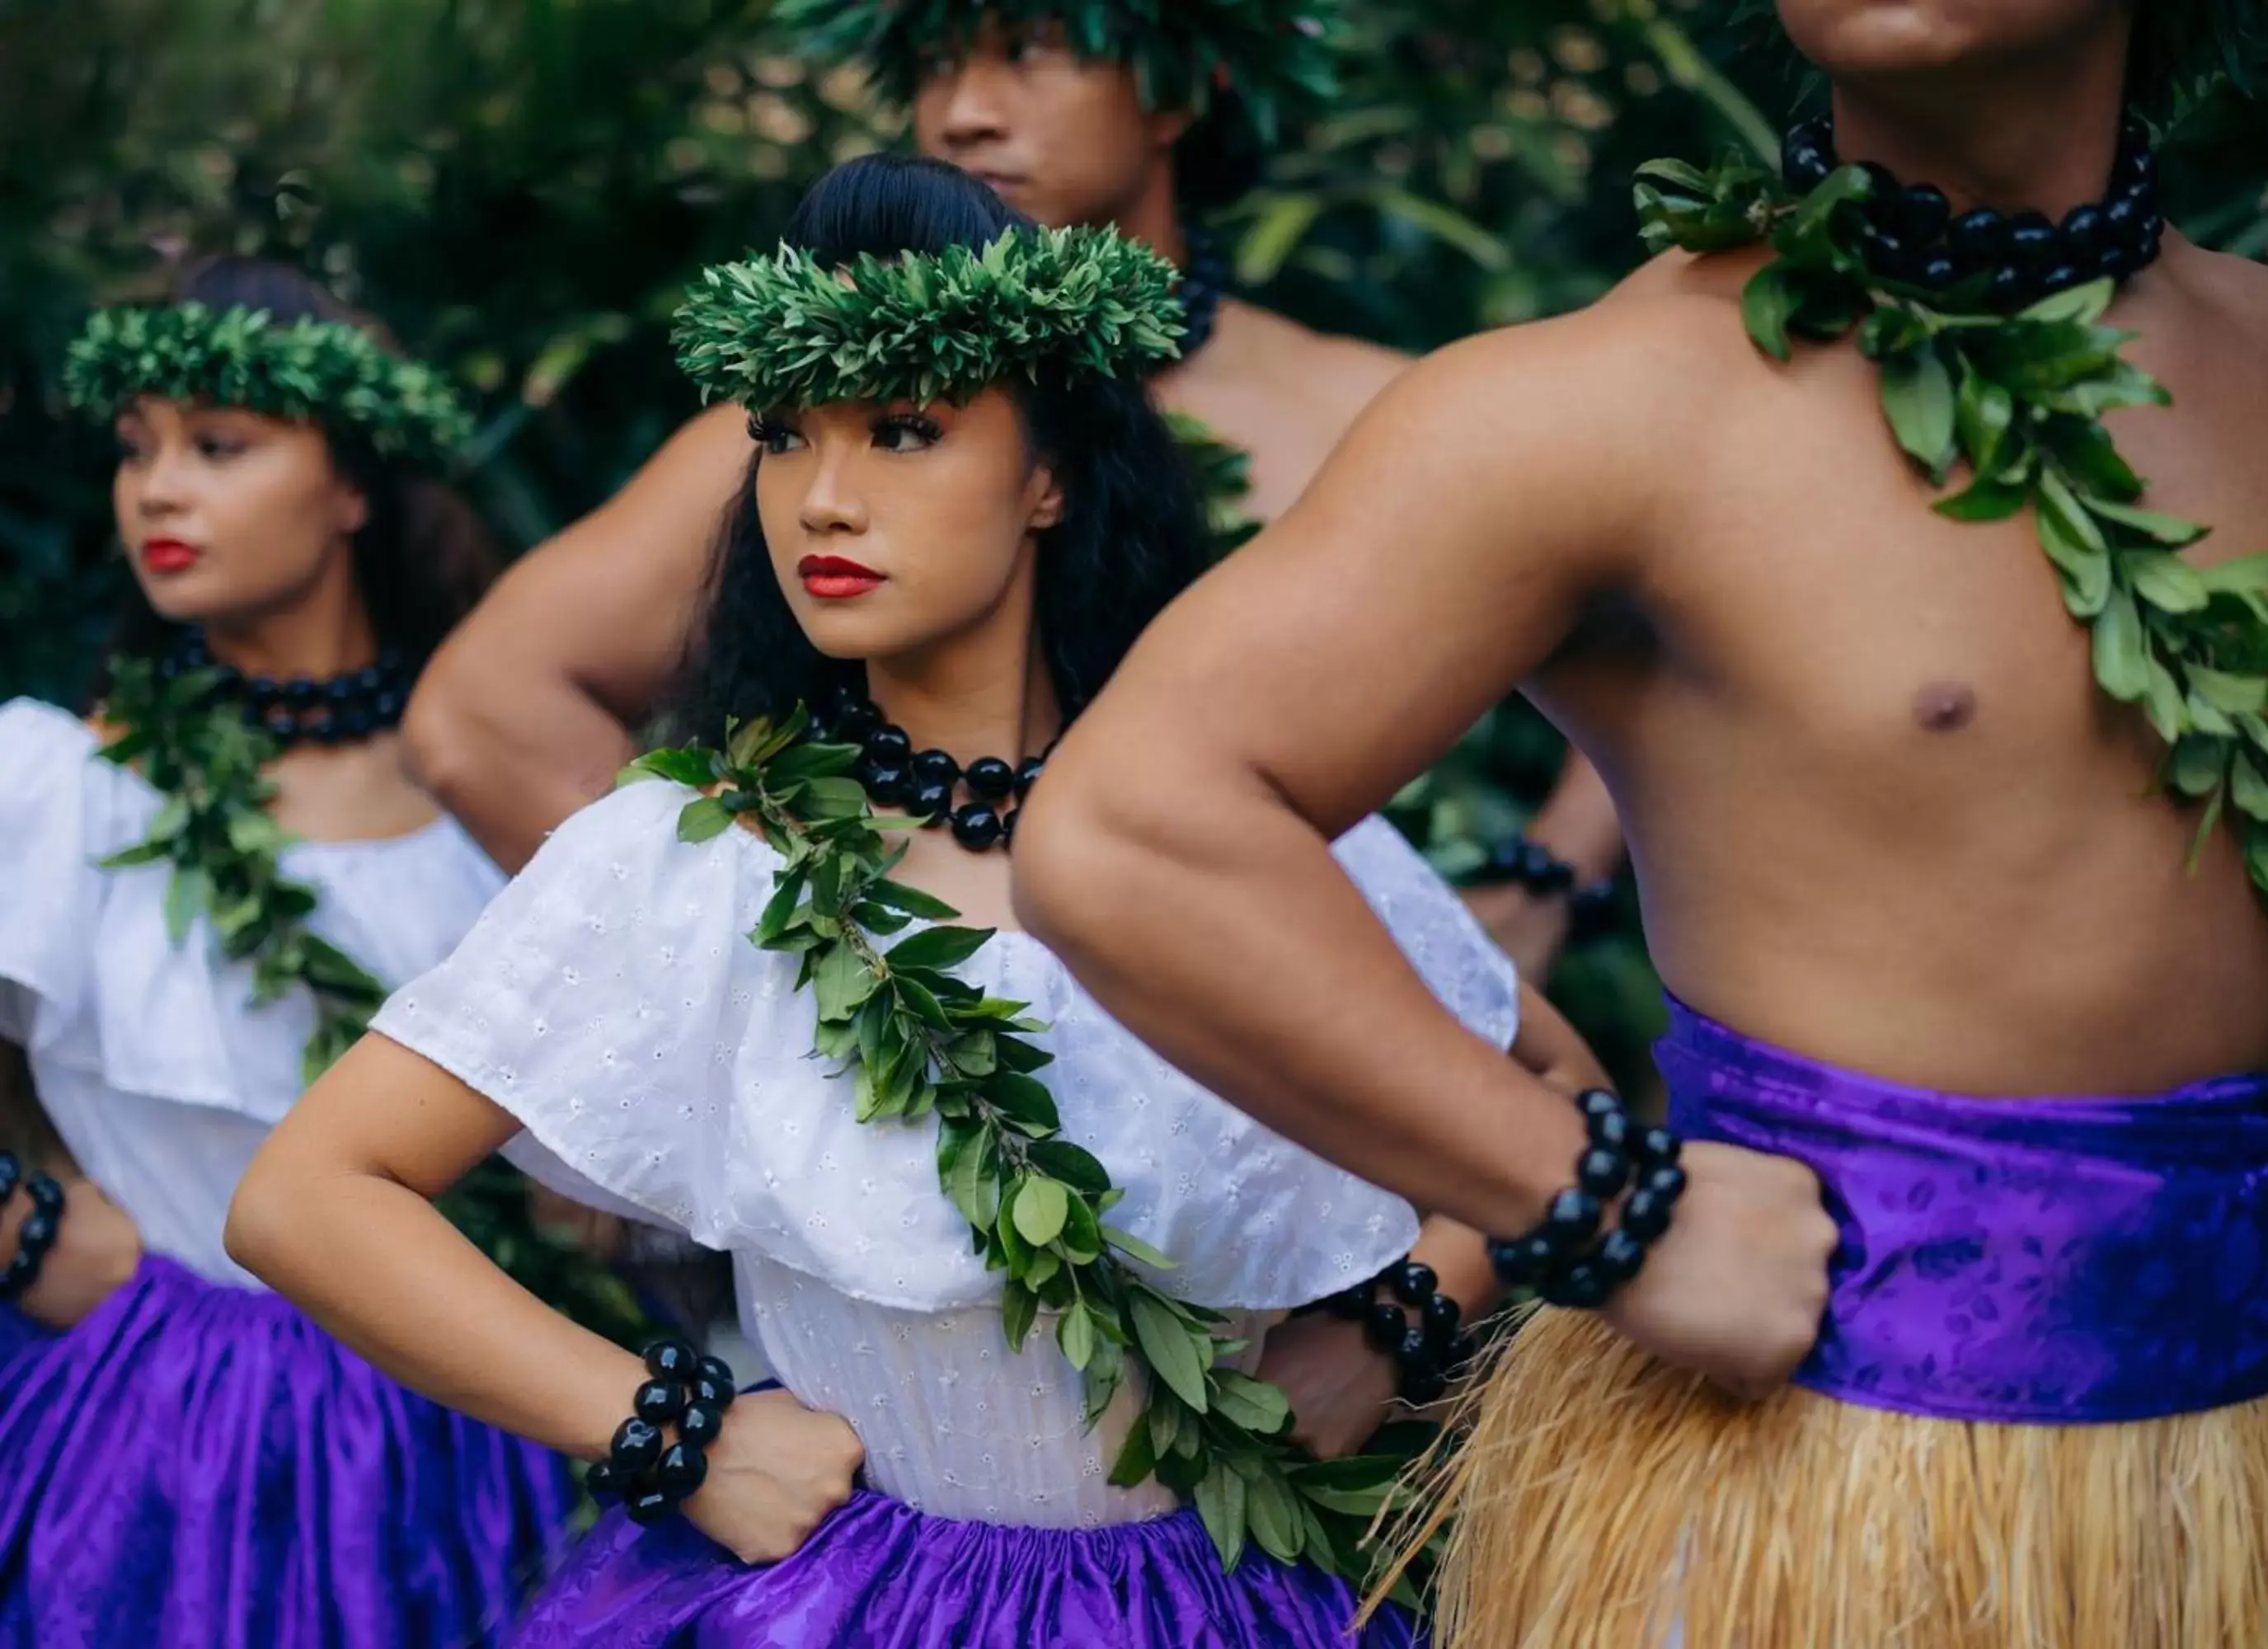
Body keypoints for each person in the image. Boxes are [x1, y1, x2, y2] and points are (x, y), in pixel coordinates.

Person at [1011, 2, 2268, 1644]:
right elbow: (1133, 830)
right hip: (1808, 1510)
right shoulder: (1613, 408)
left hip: (2225, 1484)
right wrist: (1600, 1206)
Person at [228, 154, 1604, 1647]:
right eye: (783, 437)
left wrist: (1389, 1327)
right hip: (838, 1604)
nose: (823, 497)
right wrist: (672, 1432)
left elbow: (1553, 1090)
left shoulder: (1235, 834)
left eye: (903, 432)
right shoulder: (699, 857)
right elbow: (310, 1196)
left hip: (1222, 1599)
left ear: (1049, 476)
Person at [398, 0, 1619, 987]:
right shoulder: (814, 438)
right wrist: (769, 984)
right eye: (934, 60)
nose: (965, 113)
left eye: (1028, 49)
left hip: (1332, 1089)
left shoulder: (1369, 412)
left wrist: (1552, 882)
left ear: (1178, 88)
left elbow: (1656, 630)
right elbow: (483, 713)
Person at [0, 257, 571, 1646]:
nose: (156, 489)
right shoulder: (61, 784)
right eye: (137, 449)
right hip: (146, 1417)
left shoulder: (485, 804)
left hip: (462, 1427)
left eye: (220, 445)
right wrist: (24, 1229)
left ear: (354, 488)